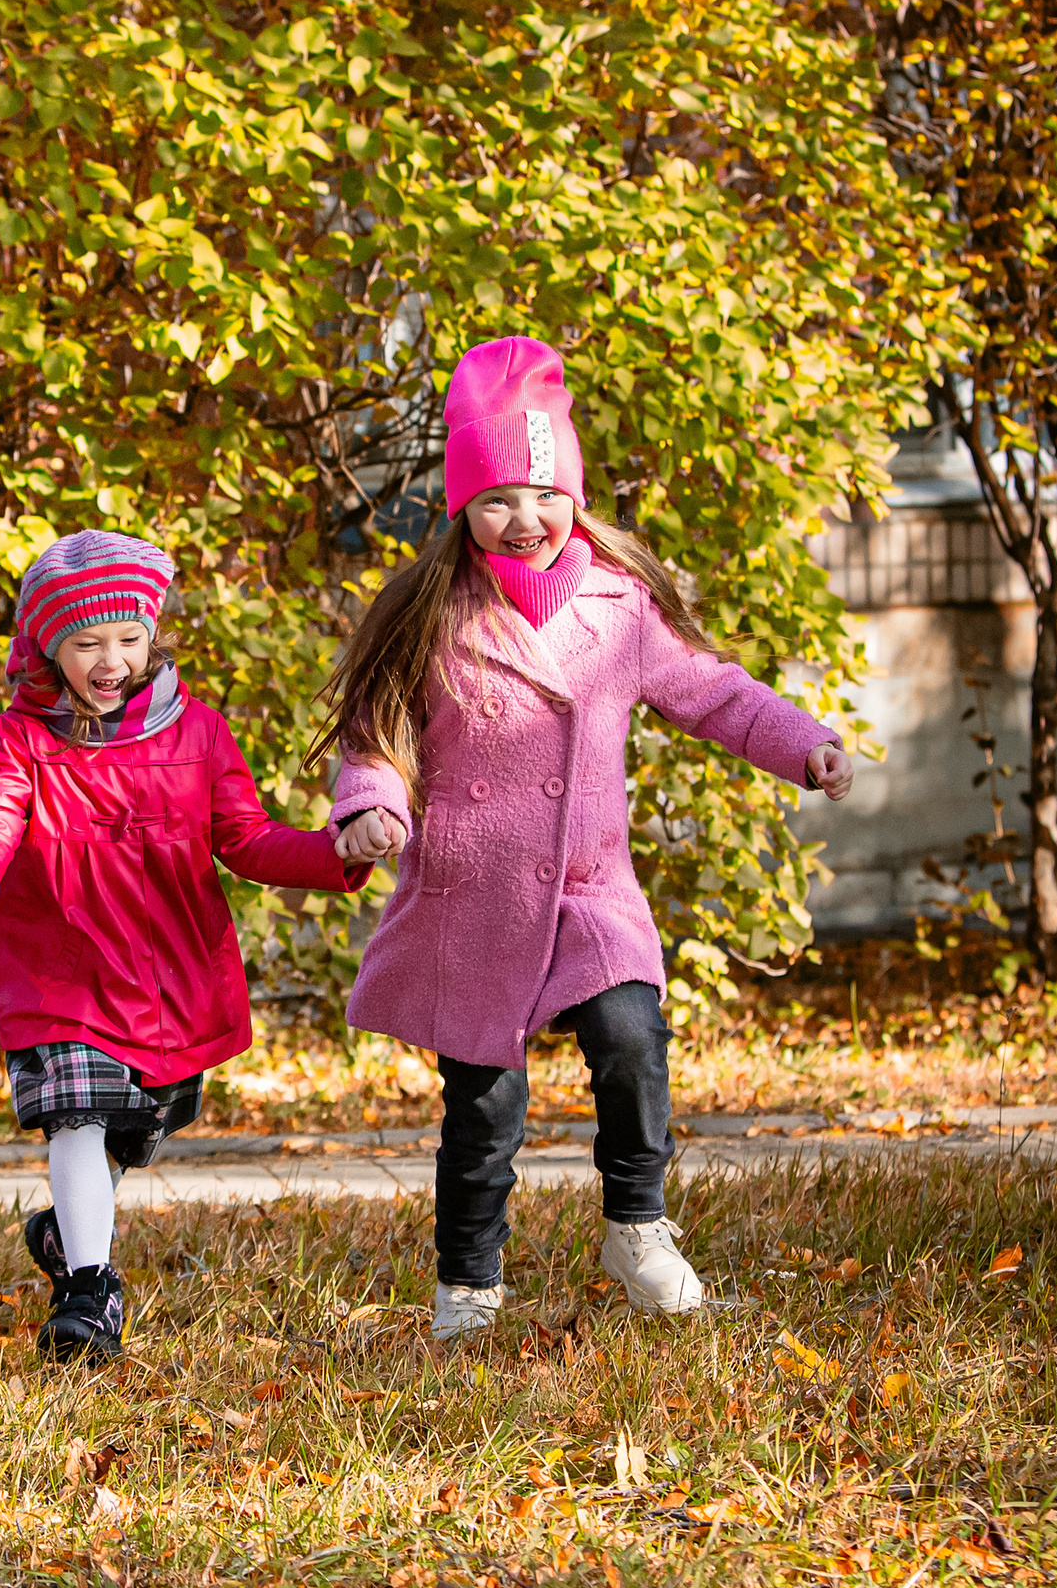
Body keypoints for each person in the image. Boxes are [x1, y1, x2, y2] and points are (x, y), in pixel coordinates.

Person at [315, 336, 854, 1337]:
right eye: (496, 500)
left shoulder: (619, 607)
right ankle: (468, 1287)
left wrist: (802, 744)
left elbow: (714, 695)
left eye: (543, 493)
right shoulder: (429, 613)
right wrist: (371, 809)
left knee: (631, 1037)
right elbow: (374, 738)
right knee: (483, 1112)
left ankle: (637, 1227)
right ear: (462, 508)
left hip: (589, 887)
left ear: (573, 492)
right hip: (474, 897)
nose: (524, 519)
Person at [0, 531, 365, 1364]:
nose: (111, 661)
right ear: (48, 648)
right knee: (76, 1113)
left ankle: (67, 1230)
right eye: (86, 644)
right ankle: (88, 1290)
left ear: (152, 635)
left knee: (129, 1130)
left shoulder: (198, 731)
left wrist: (334, 852)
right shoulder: (21, 738)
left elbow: (246, 838)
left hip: (170, 972)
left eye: (128, 638)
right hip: (63, 969)